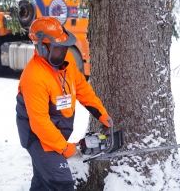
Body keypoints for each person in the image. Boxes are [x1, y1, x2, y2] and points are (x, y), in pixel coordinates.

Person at [16, 16, 113, 191]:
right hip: (39, 138)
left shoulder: (65, 63)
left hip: (56, 134)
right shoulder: (34, 77)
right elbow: (40, 123)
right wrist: (65, 148)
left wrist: (101, 113)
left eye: (64, 47)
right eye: (58, 48)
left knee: (42, 182)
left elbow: (82, 87)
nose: (62, 52)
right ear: (42, 47)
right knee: (61, 183)